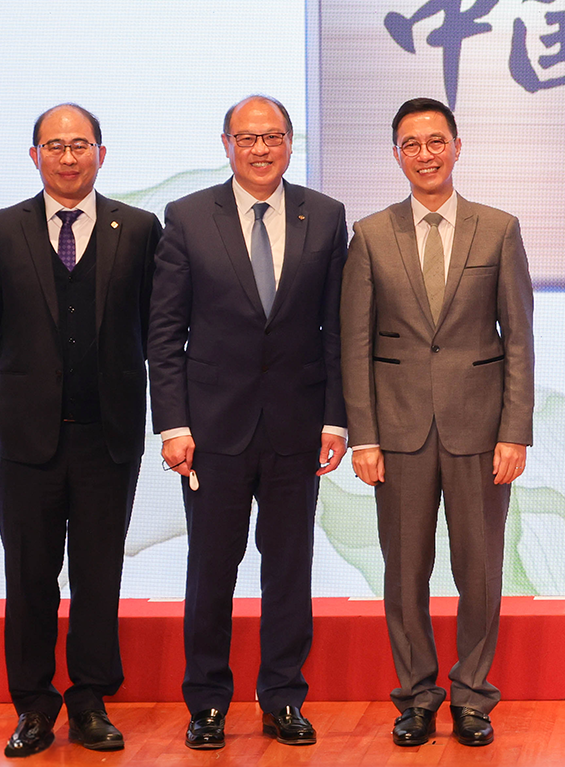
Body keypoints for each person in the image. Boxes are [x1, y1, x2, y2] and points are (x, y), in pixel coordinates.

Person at [147, 95, 348, 749]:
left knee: (288, 568)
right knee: (212, 569)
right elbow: (165, 331)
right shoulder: (186, 217)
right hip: (212, 432)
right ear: (226, 144)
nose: (261, 149)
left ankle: (282, 697)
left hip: (296, 427)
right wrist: (172, 423)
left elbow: (336, 329)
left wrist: (336, 420)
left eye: (274, 137)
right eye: (248, 138)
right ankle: (207, 702)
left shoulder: (324, 216)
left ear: (291, 142)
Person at [0, 104, 162, 757]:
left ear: (102, 153)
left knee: (98, 575)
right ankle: (33, 707)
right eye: (56, 145)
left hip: (109, 437)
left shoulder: (137, 229)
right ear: (35, 156)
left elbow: (151, 323)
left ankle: (90, 700)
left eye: (81, 144)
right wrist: (32, 378)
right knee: (29, 576)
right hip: (27, 440)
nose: (69, 156)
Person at [343, 97, 533, 747]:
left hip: (482, 435)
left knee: (478, 570)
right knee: (404, 574)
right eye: (410, 144)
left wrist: (515, 431)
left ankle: (473, 697)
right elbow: (355, 344)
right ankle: (417, 697)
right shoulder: (369, 235)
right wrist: (362, 436)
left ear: (456, 145)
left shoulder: (498, 228)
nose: (424, 154)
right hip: (396, 436)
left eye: (435, 141)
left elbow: (519, 339)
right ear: (396, 154)